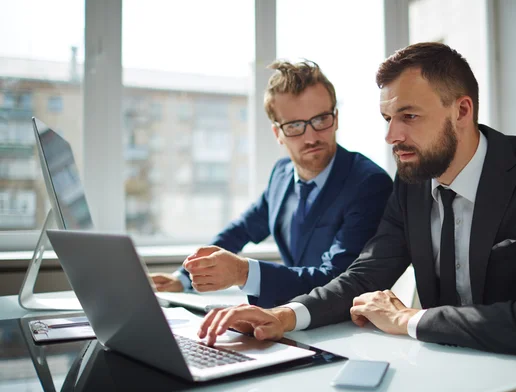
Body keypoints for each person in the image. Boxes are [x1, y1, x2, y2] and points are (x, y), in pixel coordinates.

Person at [197, 42, 516, 359]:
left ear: (461, 110)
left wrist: (408, 319)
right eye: (388, 119)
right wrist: (282, 316)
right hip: (448, 370)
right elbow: (363, 276)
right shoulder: (411, 184)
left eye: (409, 117)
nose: (391, 136)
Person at [151, 60, 393, 309]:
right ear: (278, 133)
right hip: (285, 317)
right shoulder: (281, 175)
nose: (311, 137)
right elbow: (241, 230)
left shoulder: (369, 184)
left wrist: (243, 273)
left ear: (336, 118)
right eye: (295, 126)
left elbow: (338, 278)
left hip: (341, 323)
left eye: (321, 119)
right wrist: (184, 277)